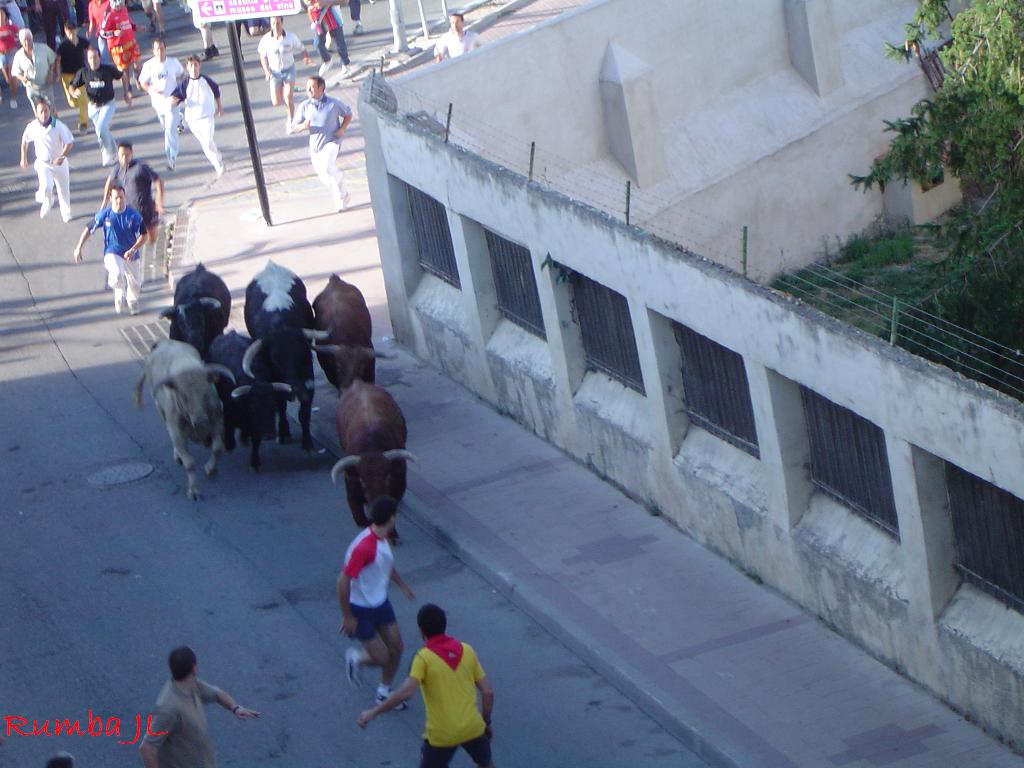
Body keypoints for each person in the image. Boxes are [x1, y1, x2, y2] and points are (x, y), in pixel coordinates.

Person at [358, 603, 496, 768]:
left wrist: (373, 712)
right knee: (486, 764)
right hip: (473, 727)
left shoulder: (423, 659)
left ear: (421, 631)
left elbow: (406, 692)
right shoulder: (467, 650)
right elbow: (488, 692)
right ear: (444, 625)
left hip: (442, 734)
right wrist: (486, 722)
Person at [337, 497, 416, 706]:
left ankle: (384, 692)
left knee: (397, 647)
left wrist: (402, 585)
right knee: (382, 657)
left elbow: (385, 564)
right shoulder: (365, 547)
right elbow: (342, 581)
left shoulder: (383, 537)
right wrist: (347, 616)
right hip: (360, 609)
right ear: (392, 518)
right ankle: (356, 659)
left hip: (380, 602)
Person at [138, 646, 260, 768]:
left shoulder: (191, 684)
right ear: (194, 668)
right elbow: (147, 747)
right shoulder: (169, 708)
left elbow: (216, 694)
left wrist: (235, 708)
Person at [73, 184, 146, 313]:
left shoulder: (133, 215)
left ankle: (132, 301)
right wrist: (79, 247)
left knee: (135, 283)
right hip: (112, 252)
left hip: (131, 253)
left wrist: (133, 249)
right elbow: (89, 228)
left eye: (121, 197)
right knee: (117, 275)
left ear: (125, 197)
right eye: (116, 198)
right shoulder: (105, 214)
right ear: (111, 198)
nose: (119, 201)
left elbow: (144, 235)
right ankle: (119, 293)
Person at [291, 75, 352, 212]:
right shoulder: (305, 106)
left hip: (332, 141)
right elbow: (294, 127)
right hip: (315, 147)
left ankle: (340, 201)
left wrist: (342, 129)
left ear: (321, 88)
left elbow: (348, 114)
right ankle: (343, 191)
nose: (309, 90)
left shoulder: (333, 103)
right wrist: (303, 126)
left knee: (326, 167)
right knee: (324, 175)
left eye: (312, 87)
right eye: (307, 87)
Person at [102, 141, 164, 268]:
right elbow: (109, 182)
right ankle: (129, 260)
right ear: (118, 155)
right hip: (129, 212)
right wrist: (105, 201)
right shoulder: (117, 169)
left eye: (127, 155)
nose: (124, 158)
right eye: (121, 155)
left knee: (152, 238)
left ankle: (147, 250)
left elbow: (159, 181)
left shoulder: (141, 168)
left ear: (132, 154)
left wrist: (159, 202)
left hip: (146, 208)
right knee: (128, 238)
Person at [20, 97, 74, 221]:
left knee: (63, 189)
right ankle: (48, 201)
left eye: (46, 111)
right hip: (43, 163)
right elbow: (25, 141)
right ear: (36, 113)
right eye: (41, 112)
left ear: (50, 111)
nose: (44, 114)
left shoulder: (58, 126)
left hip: (59, 163)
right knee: (46, 187)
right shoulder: (33, 126)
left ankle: (66, 212)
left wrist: (62, 156)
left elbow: (69, 142)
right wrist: (23, 157)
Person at [69, 45, 123, 166]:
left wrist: (127, 92)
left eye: (95, 57)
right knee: (102, 132)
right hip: (93, 106)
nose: (93, 60)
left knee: (101, 129)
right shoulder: (84, 72)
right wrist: (73, 92)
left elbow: (122, 75)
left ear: (99, 58)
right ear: (87, 60)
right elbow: (72, 85)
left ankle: (108, 153)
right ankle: (113, 150)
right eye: (90, 58)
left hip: (107, 104)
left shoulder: (107, 69)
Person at [170, 55, 223, 175]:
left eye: (196, 65)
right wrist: (173, 101)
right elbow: (177, 96)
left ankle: (218, 164)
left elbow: (216, 91)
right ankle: (217, 160)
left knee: (208, 141)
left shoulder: (206, 80)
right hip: (193, 120)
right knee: (205, 144)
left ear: (199, 66)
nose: (193, 68)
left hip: (207, 116)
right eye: (191, 65)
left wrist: (219, 107)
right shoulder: (185, 83)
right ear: (187, 67)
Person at [257, 15, 311, 130]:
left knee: (288, 97)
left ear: (282, 23)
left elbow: (302, 48)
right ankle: (285, 90)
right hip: (275, 73)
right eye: (273, 23)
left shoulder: (290, 37)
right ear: (270, 25)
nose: (276, 26)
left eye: (278, 23)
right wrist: (267, 71)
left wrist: (306, 57)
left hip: (289, 70)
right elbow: (263, 56)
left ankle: (290, 122)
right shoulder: (266, 39)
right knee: (276, 102)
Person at [138, 37, 184, 169]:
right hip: (158, 103)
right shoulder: (149, 65)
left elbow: (182, 75)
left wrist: (180, 91)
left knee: (169, 130)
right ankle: (179, 119)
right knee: (166, 128)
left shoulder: (173, 62)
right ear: (153, 51)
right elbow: (142, 82)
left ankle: (171, 158)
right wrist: (151, 89)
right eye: (157, 49)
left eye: (162, 49)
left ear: (165, 49)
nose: (160, 52)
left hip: (172, 101)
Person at [98, 0, 140, 98]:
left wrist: (136, 27)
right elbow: (102, 33)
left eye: (122, 3)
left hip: (131, 42)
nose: (121, 6)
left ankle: (138, 80)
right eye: (119, 4)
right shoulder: (109, 15)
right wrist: (114, 33)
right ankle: (128, 90)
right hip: (118, 47)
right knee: (124, 70)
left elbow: (128, 22)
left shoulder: (124, 10)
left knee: (137, 64)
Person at [56, 20, 90, 133]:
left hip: (80, 75)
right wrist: (58, 74)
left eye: (73, 30)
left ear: (76, 30)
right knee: (72, 102)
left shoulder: (82, 41)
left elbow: (89, 51)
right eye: (68, 31)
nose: (71, 33)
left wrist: (90, 65)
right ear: (65, 32)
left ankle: (83, 123)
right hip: (67, 75)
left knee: (83, 100)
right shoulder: (63, 46)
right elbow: (58, 60)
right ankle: (78, 104)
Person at [11, 29, 57, 106]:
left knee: (51, 109)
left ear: (32, 39)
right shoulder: (18, 55)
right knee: (38, 111)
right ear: (21, 42)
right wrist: (22, 78)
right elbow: (15, 72)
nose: (27, 42)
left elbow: (53, 60)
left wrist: (51, 73)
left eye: (29, 39)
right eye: (24, 40)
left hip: (46, 85)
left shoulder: (43, 48)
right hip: (31, 88)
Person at [305, 0, 349, 78]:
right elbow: (307, 3)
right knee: (318, 43)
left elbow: (345, 2)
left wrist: (328, 2)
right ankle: (327, 60)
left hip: (333, 18)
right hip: (318, 19)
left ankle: (345, 64)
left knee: (339, 43)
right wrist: (312, 4)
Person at [0, 7, 19, 109]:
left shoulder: (12, 27)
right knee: (7, 79)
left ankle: (13, 99)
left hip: (12, 52)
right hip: (1, 55)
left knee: (12, 77)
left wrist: (16, 38)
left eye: (2, 15)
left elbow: (20, 36)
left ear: (5, 17)